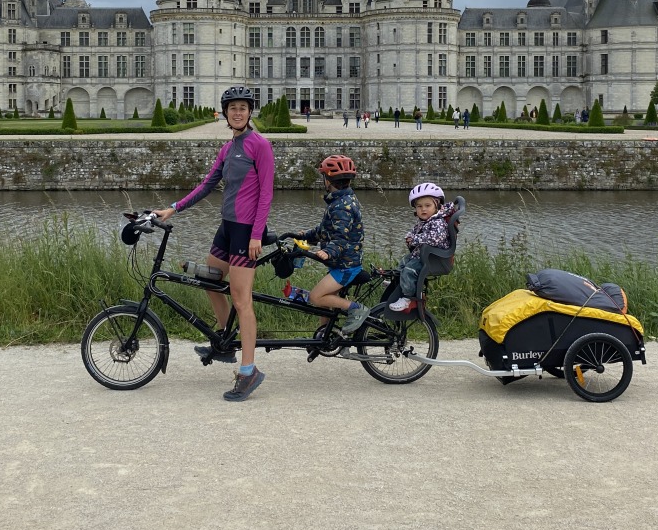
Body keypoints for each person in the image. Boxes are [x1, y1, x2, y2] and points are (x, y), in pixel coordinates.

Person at [154, 85, 274, 402]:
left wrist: (256, 235)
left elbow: (266, 194)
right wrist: (174, 208)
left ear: (250, 112)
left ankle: (249, 371)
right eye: (232, 108)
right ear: (225, 113)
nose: (237, 112)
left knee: (241, 299)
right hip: (227, 227)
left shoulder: (259, 145)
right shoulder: (228, 148)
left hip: (246, 230)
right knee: (210, 279)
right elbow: (208, 185)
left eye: (243, 108)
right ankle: (226, 341)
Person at [288, 154, 369, 334]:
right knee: (326, 302)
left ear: (328, 179)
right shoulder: (342, 200)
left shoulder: (341, 206)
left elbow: (340, 237)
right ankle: (323, 336)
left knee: (317, 297)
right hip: (342, 263)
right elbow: (325, 230)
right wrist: (306, 236)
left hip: (346, 266)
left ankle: (356, 309)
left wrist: (329, 252)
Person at [388, 182, 457, 312]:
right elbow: (415, 231)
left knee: (409, 269)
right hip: (423, 254)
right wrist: (410, 236)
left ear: (437, 205)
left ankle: (408, 297)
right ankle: (401, 283)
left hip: (433, 258)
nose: (423, 209)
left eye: (427, 205)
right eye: (419, 206)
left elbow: (434, 238)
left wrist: (415, 240)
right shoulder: (425, 221)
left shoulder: (437, 222)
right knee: (403, 262)